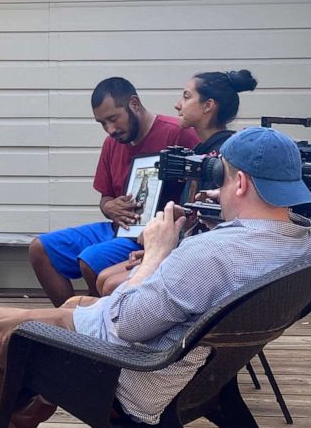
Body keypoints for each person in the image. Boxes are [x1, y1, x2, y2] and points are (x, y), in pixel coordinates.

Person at [0, 126, 311, 428]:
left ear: (239, 182)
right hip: (194, 369)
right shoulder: (303, 245)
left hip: (132, 372)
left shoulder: (212, 254)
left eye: (219, 176)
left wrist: (158, 252)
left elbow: (126, 324)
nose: (216, 186)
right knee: (72, 304)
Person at [28, 77, 199, 306]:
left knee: (90, 260)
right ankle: (73, 325)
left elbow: (200, 192)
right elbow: (105, 198)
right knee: (40, 249)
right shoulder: (111, 144)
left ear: (134, 104)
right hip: (117, 229)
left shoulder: (177, 134)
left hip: (153, 236)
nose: (110, 130)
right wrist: (109, 207)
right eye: (102, 124)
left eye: (113, 119)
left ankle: (94, 328)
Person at [95, 69, 259, 296]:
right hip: (188, 248)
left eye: (186, 96)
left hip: (207, 260)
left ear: (207, 106)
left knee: (110, 284)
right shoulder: (201, 151)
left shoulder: (223, 155)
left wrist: (162, 251)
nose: (177, 104)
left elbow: (214, 225)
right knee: (104, 279)